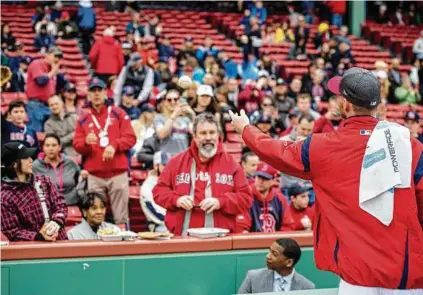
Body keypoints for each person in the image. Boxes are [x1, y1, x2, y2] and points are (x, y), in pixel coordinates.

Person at [230, 67, 423, 293]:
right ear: (377, 105)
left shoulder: (322, 146)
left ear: (346, 105)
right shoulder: (409, 144)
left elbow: (274, 150)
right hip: (405, 276)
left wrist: (245, 130)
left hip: (357, 278)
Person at [153, 113, 252, 235]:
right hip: (182, 238)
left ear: (218, 135)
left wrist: (221, 202)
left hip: (220, 240)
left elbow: (246, 198)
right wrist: (176, 200)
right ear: (194, 136)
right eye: (203, 133)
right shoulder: (176, 162)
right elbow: (158, 192)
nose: (208, 137)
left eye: (212, 132)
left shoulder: (232, 165)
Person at [73, 78, 136, 225]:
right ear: (88, 95)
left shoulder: (118, 113)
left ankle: (124, 246)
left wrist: (114, 145)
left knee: (121, 216)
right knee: (94, 217)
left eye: (99, 90)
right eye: (93, 91)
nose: (96, 94)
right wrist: (86, 143)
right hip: (95, 176)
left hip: (118, 174)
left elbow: (131, 138)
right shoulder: (83, 118)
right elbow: (77, 145)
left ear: (106, 93)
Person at [1, 141, 68, 241]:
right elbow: (12, 231)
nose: (31, 160)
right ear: (14, 164)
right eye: (25, 158)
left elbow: (61, 205)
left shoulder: (44, 181)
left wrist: (56, 222)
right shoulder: (4, 197)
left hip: (61, 242)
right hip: (33, 251)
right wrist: (38, 236)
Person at [238, 238, 315, 293]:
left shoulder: (307, 287)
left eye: (274, 254)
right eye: (270, 251)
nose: (268, 256)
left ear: (289, 262)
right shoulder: (253, 278)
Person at [32, 134, 81, 205]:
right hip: (48, 206)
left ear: (59, 147)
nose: (51, 148)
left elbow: (79, 181)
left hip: (71, 204)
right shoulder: (35, 166)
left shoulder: (70, 162)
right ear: (43, 148)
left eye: (54, 145)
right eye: (47, 145)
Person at [248, 162, 294, 232]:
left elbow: (287, 225)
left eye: (265, 178)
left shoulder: (280, 199)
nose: (260, 181)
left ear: (273, 180)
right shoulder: (247, 196)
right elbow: (242, 227)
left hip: (275, 241)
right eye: (258, 177)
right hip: (252, 240)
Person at [26, 46, 62, 132]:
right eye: (55, 56)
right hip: (36, 104)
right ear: (47, 55)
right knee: (36, 133)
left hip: (49, 105)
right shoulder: (37, 63)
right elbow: (40, 81)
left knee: (49, 133)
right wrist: (53, 71)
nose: (57, 59)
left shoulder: (52, 70)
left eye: (59, 57)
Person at [153, 88, 195, 156]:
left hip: (183, 158)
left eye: (175, 99)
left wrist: (193, 115)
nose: (173, 102)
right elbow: (161, 135)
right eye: (169, 100)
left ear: (179, 101)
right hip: (167, 159)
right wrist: (174, 114)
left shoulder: (185, 119)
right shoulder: (159, 117)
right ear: (164, 102)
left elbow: (196, 134)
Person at [140, 151, 170, 232]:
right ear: (155, 166)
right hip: (159, 226)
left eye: (170, 165)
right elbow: (154, 211)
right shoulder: (147, 186)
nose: (168, 168)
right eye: (164, 165)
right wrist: (174, 218)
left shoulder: (171, 180)